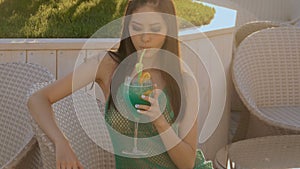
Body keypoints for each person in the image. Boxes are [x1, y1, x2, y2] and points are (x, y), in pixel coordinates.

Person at [28, 0, 213, 169]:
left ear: (168, 30)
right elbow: (38, 99)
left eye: (155, 28)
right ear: (127, 28)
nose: (145, 38)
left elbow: (187, 164)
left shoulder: (185, 82)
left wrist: (161, 124)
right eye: (137, 27)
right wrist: (62, 143)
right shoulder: (108, 66)